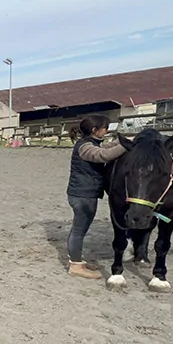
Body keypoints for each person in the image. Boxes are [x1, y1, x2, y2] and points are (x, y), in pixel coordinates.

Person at [65, 114, 128, 279]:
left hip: (84, 193)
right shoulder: (85, 147)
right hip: (82, 195)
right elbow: (103, 155)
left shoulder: (90, 143)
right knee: (79, 230)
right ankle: (75, 266)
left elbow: (105, 147)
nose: (106, 130)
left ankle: (77, 260)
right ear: (95, 130)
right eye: (105, 128)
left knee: (80, 229)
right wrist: (128, 145)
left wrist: (123, 141)